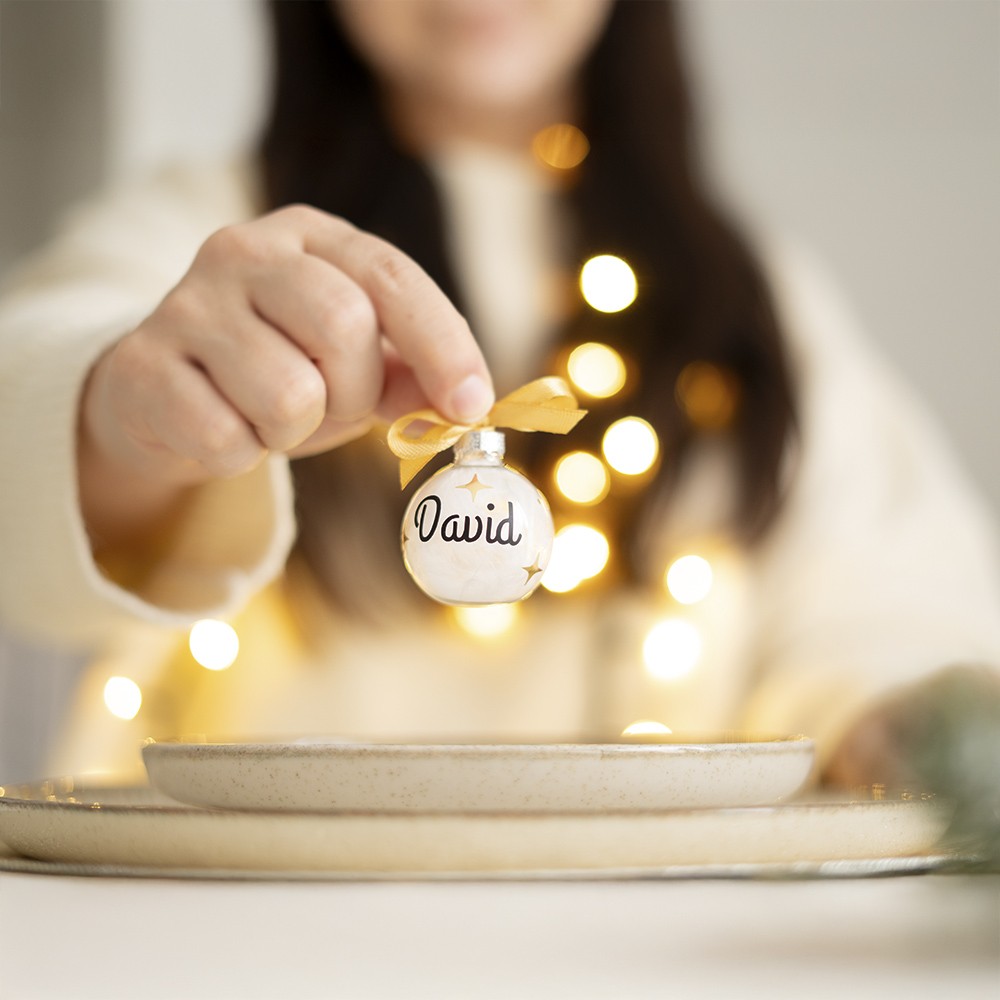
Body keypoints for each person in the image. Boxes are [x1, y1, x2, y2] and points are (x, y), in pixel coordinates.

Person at [1, 0, 999, 819]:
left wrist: (906, 721)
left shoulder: (740, 294)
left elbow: (887, 595)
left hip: (665, 934)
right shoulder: (213, 234)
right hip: (250, 919)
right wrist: (123, 412)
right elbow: (35, 390)